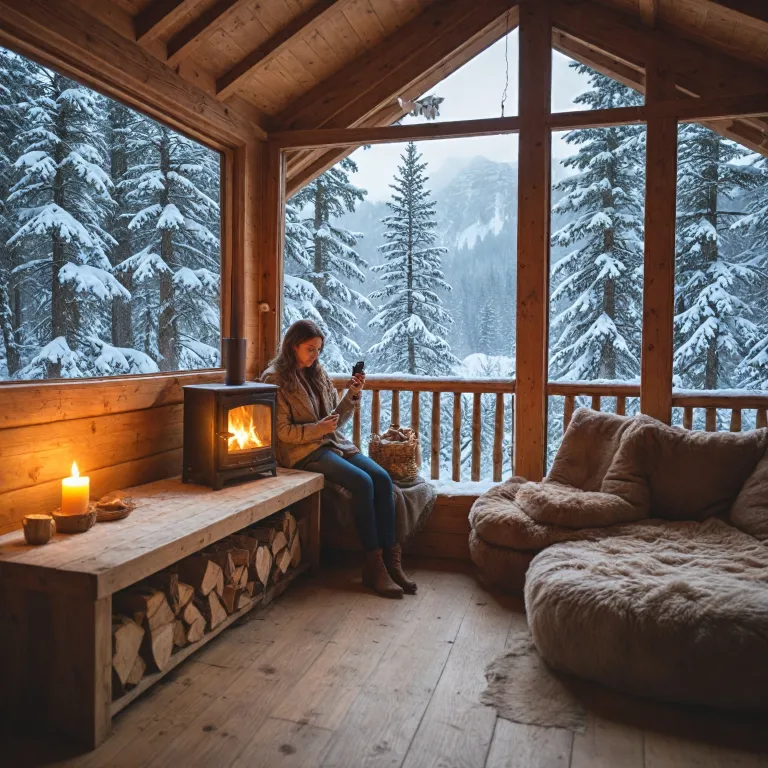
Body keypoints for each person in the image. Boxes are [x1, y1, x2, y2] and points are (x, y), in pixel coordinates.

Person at [261, 319, 417, 598]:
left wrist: (352, 394)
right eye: (310, 349)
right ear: (293, 346)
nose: (315, 355)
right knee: (362, 483)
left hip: (332, 443)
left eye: (319, 349)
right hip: (302, 452)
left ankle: (393, 562)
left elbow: (336, 420)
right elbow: (281, 433)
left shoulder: (316, 373)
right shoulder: (275, 380)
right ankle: (374, 564)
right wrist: (316, 429)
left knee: (381, 478)